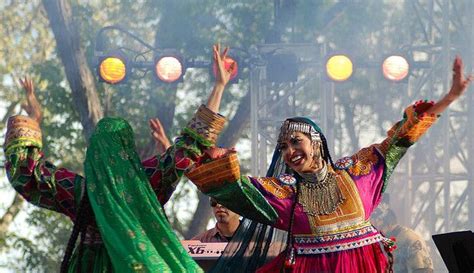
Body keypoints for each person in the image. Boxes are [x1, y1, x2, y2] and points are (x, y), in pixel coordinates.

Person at [182, 56, 472, 273]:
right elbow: (228, 185)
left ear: (317, 142)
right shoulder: (284, 194)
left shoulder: (359, 172)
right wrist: (214, 153)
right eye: (283, 147)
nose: (289, 152)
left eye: (296, 142)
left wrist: (449, 97)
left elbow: (400, 139)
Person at [4, 44, 236, 273]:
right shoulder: (147, 183)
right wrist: (218, 87)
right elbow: (189, 146)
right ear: (129, 149)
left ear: (93, 153)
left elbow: (27, 173)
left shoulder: (80, 192)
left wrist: (33, 118)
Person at [372, 202, 434, 273]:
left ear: (387, 224)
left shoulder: (410, 239)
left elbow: (424, 269)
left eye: (378, 228)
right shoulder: (383, 242)